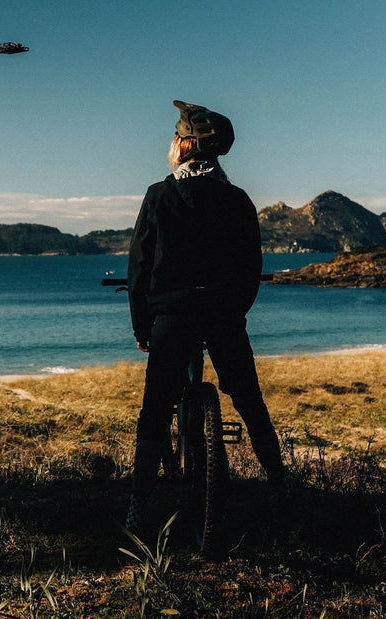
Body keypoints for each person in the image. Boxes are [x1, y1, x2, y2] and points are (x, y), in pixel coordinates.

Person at [125, 100, 285, 534]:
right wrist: (234, 312)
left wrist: (143, 326)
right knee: (250, 401)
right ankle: (284, 492)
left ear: (188, 145)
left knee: (155, 409)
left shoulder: (159, 195)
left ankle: (138, 509)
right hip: (223, 316)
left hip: (172, 318)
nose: (172, 143)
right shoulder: (237, 200)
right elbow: (250, 267)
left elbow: (138, 266)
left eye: (176, 136)